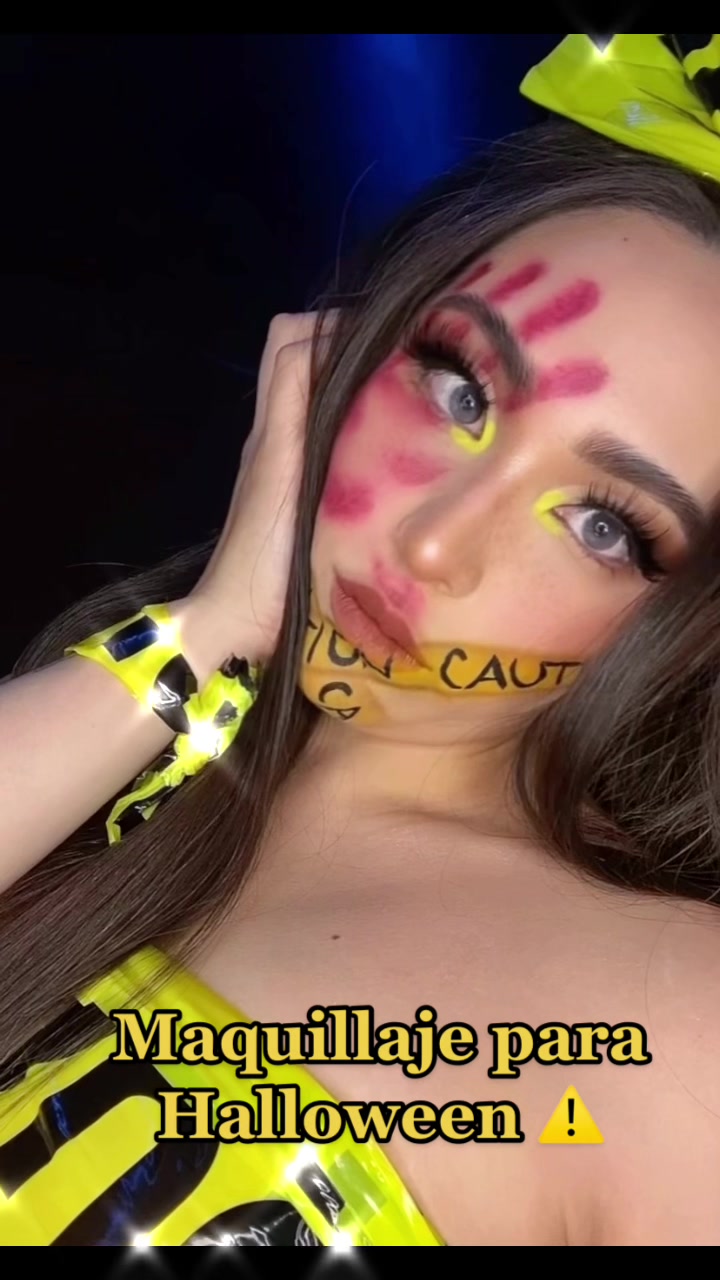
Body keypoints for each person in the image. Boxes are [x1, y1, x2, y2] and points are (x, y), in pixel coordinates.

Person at [1, 33, 720, 1247]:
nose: (434, 545)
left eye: (604, 525)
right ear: (353, 341)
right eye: (459, 390)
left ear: (690, 625)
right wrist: (207, 632)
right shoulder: (133, 765)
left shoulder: (676, 1023)